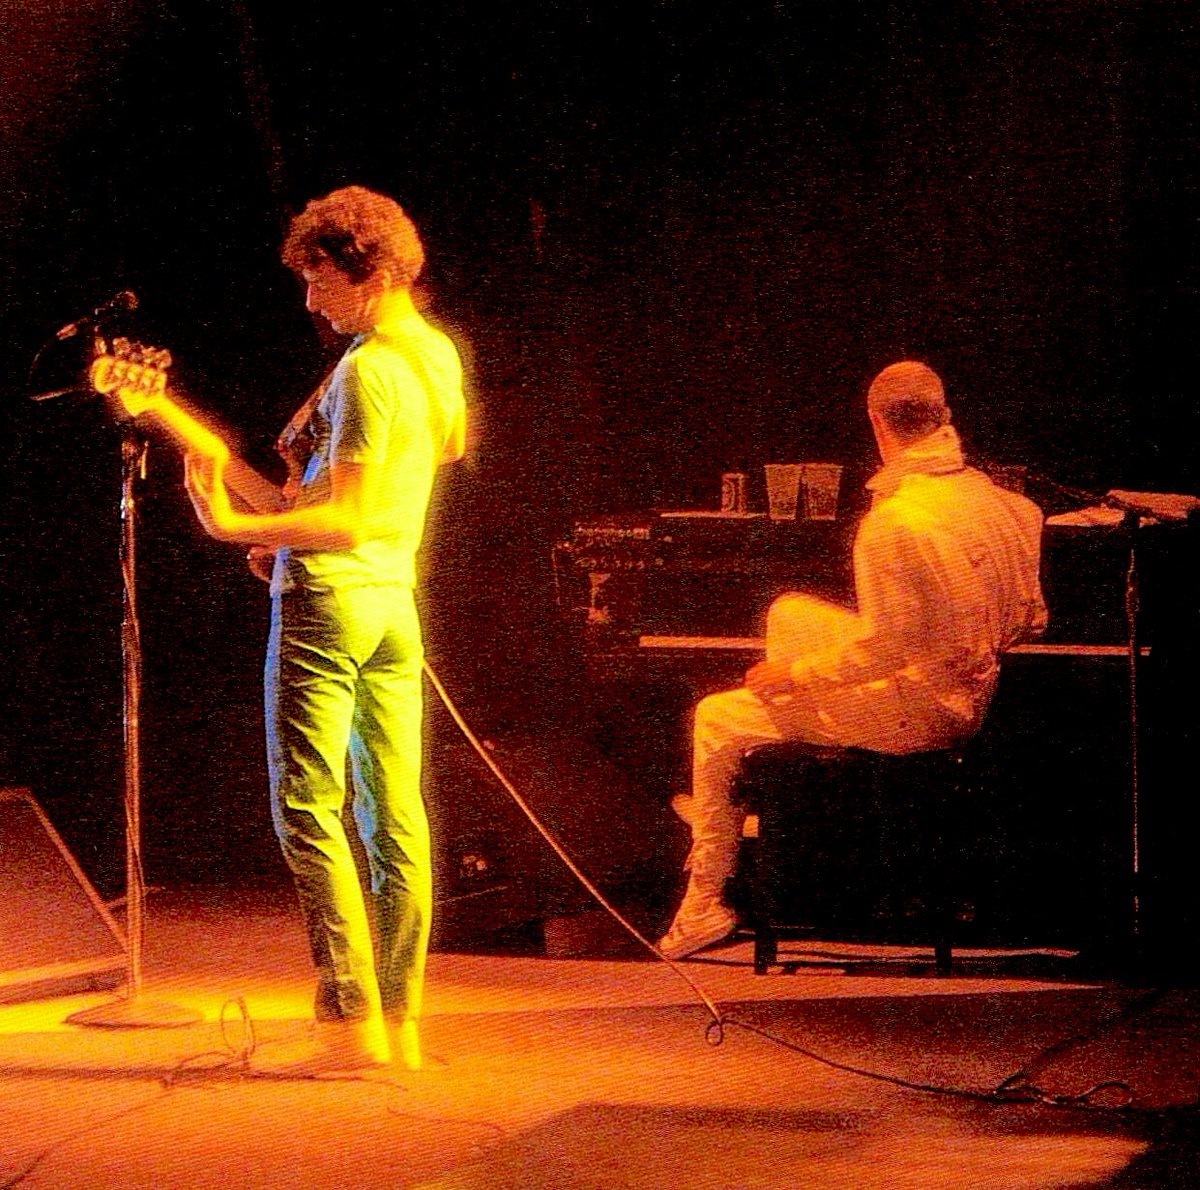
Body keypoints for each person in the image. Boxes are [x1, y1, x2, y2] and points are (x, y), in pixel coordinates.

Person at [185, 185, 467, 1070]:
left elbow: (340, 519)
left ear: (371, 272)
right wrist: (282, 508)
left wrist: (237, 528)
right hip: (394, 603)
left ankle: (347, 1022)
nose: (310, 301)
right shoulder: (436, 358)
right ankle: (401, 1022)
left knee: (307, 806)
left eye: (320, 280)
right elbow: (435, 457)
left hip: (327, 600)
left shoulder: (366, 369)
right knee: (397, 816)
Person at [659, 360, 1047, 960]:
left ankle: (707, 892)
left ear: (876, 425)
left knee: (716, 715)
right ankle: (768, 801)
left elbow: (885, 648)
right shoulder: (1011, 508)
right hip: (972, 694)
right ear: (944, 416)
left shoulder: (892, 522)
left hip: (921, 714)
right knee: (789, 613)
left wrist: (796, 675)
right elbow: (1032, 620)